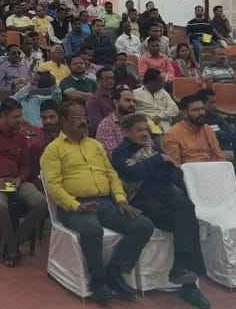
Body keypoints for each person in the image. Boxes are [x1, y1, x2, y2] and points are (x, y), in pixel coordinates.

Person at [40, 100, 153, 304]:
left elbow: (111, 175)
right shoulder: (53, 150)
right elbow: (53, 186)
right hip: (74, 206)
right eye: (76, 118)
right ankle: (98, 282)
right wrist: (76, 205)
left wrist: (121, 200)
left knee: (143, 225)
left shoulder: (95, 145)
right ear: (63, 121)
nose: (83, 121)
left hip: (105, 202)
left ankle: (115, 273)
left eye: (84, 116)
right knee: (92, 230)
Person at [110, 114, 211, 308]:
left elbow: (174, 172)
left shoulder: (153, 147)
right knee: (187, 219)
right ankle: (187, 282)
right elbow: (133, 173)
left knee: (186, 215)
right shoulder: (120, 153)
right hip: (142, 201)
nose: (144, 133)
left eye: (146, 129)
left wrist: (159, 163)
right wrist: (158, 160)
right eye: (139, 130)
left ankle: (184, 274)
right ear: (126, 132)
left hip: (166, 198)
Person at [0, 102, 47, 266]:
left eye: (21, 116)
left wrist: (20, 178)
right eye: (16, 117)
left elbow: (26, 166)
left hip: (15, 182)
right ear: (3, 116)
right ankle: (12, 247)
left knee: (42, 203)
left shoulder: (20, 138)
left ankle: (14, 242)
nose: (20, 120)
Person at [162, 94, 228, 165]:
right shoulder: (172, 134)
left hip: (211, 168)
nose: (201, 113)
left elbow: (219, 155)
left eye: (202, 109)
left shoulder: (207, 129)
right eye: (195, 110)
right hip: (188, 170)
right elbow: (174, 165)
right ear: (184, 113)